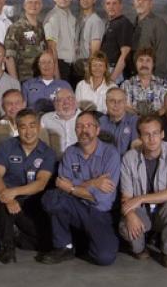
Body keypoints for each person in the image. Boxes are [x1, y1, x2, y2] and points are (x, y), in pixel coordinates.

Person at [39, 111, 121, 266]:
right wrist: (93, 183)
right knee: (52, 198)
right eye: (79, 126)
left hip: (99, 212)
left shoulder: (111, 154)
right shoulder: (70, 152)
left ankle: (85, 241)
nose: (84, 130)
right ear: (75, 130)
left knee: (104, 258)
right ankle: (64, 247)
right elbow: (61, 185)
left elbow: (102, 198)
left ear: (97, 130)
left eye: (88, 126)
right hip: (75, 207)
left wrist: (72, 187)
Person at [119, 114, 167, 268]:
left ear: (162, 134)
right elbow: (126, 197)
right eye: (146, 134)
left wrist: (141, 198)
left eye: (155, 133)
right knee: (125, 226)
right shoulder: (129, 158)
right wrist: (130, 215)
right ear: (139, 137)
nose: (152, 138)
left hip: (164, 211)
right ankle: (140, 247)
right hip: (141, 212)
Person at [0, 109, 57, 263]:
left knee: (45, 243)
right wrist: (7, 196)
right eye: (23, 127)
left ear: (39, 127)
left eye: (32, 126)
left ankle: (16, 234)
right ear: (17, 128)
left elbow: (40, 184)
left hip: (31, 201)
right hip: (4, 198)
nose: (28, 132)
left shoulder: (48, 153)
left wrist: (14, 193)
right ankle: (7, 248)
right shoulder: (7, 146)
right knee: (1, 201)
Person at [4, 0, 46, 82]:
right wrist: (15, 83)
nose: (33, 5)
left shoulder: (41, 28)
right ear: (24, 5)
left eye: (37, 3)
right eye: (30, 2)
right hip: (23, 79)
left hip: (40, 79)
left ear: (41, 6)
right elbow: (9, 57)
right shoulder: (16, 28)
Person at [132, 0, 167, 79]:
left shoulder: (159, 24)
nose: (140, 3)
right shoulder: (133, 24)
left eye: (145, 0)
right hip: (134, 77)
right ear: (134, 3)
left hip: (152, 78)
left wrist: (157, 79)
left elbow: (163, 54)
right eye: (138, 0)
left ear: (151, 4)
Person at [120, 47, 167, 116]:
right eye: (141, 60)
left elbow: (166, 106)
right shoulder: (126, 85)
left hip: (157, 122)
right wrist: (139, 117)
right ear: (135, 64)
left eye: (148, 60)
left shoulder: (163, 84)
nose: (144, 64)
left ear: (153, 64)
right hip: (133, 123)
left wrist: (152, 119)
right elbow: (124, 107)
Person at [44, 0, 77, 81]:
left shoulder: (72, 18)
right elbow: (51, 47)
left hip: (72, 67)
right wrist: (56, 73)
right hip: (59, 65)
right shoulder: (53, 17)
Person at [100, 0, 134, 83]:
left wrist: (112, 79)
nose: (111, 6)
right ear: (104, 7)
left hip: (116, 72)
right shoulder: (110, 23)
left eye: (114, 3)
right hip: (106, 69)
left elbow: (125, 53)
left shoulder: (123, 23)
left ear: (121, 6)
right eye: (108, 3)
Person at [74, 0, 105, 81]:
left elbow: (95, 51)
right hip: (76, 66)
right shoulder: (79, 19)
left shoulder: (96, 21)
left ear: (94, 0)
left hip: (85, 68)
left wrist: (89, 73)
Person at [39, 88, 78, 158]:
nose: (66, 103)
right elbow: (40, 144)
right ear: (55, 104)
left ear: (75, 101)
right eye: (61, 100)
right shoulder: (46, 119)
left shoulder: (86, 118)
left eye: (69, 98)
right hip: (54, 161)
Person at [98, 87, 138, 155]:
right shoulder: (100, 122)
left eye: (120, 101)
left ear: (125, 103)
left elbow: (136, 146)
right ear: (106, 103)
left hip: (125, 163)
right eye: (112, 101)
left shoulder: (134, 121)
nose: (116, 105)